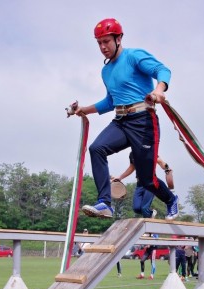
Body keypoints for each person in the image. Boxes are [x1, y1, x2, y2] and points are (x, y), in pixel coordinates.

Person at [72, 18, 179, 221]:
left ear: (118, 38)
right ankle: (105, 203)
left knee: (147, 180)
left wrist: (159, 90)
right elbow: (111, 101)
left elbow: (162, 70)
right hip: (121, 120)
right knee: (97, 149)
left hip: (143, 121)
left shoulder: (133, 56)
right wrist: (83, 109)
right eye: (99, 43)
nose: (103, 47)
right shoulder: (106, 71)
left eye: (106, 41)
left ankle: (171, 200)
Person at [113, 151, 173, 218]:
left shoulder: (149, 150)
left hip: (150, 183)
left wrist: (167, 168)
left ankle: (148, 220)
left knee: (144, 208)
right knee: (136, 209)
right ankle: (151, 213)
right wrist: (120, 177)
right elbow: (131, 167)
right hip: (139, 185)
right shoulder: (132, 154)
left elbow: (160, 161)